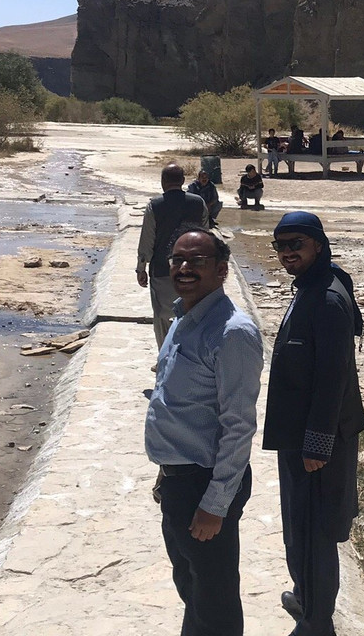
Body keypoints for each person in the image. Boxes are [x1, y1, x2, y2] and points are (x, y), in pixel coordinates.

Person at [145, 226, 264, 636]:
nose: (184, 268)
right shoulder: (184, 316)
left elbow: (238, 426)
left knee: (214, 599)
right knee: (191, 585)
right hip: (179, 479)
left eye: (197, 261)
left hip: (206, 484)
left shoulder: (231, 332)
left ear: (221, 269)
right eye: (178, 259)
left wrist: (216, 504)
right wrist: (165, 471)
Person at [263, 212, 364, 636]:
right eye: (281, 245)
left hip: (316, 439)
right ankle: (306, 596)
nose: (288, 252)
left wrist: (316, 445)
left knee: (313, 531)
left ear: (318, 245)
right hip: (301, 433)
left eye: (297, 244)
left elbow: (332, 377)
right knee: (299, 526)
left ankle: (317, 622)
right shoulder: (315, 284)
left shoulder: (325, 299)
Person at [137, 164, 208, 347]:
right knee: (192, 314)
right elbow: (205, 237)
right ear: (183, 181)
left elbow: (147, 240)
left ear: (163, 182)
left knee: (161, 317)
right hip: (194, 270)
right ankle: (187, 355)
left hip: (162, 270)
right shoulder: (198, 203)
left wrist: (141, 268)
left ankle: (164, 356)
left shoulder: (154, 206)